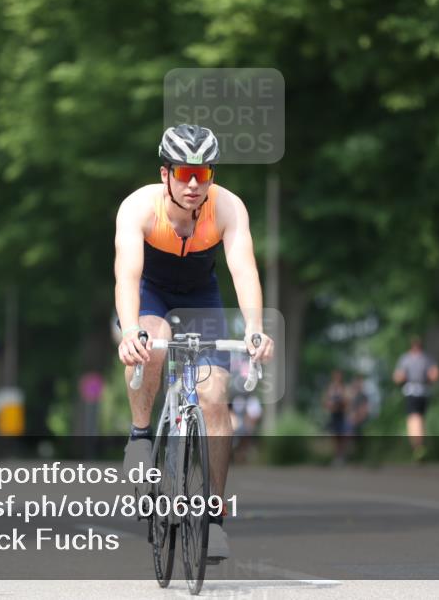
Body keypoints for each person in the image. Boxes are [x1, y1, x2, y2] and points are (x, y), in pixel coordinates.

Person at [114, 124, 275, 563]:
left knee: (216, 397)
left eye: (202, 175)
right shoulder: (138, 209)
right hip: (152, 293)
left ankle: (215, 519)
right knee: (154, 338)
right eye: (184, 173)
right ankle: (141, 436)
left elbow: (244, 270)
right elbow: (127, 275)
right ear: (165, 172)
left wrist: (255, 329)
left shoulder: (227, 208)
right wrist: (131, 332)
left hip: (202, 298)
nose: (192, 184)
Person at [393, 336, 439, 462]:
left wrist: (403, 377)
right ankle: (419, 446)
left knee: (414, 420)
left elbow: (397, 377)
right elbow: (435, 374)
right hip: (424, 392)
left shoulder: (406, 359)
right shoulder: (426, 358)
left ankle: (417, 448)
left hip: (413, 392)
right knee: (420, 419)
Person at [323, 369, 349, 464]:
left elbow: (347, 402)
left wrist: (339, 404)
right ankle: (336, 457)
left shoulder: (343, 388)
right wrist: (330, 405)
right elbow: (325, 401)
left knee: (341, 436)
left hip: (341, 415)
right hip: (333, 414)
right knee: (334, 436)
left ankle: (341, 457)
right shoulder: (331, 388)